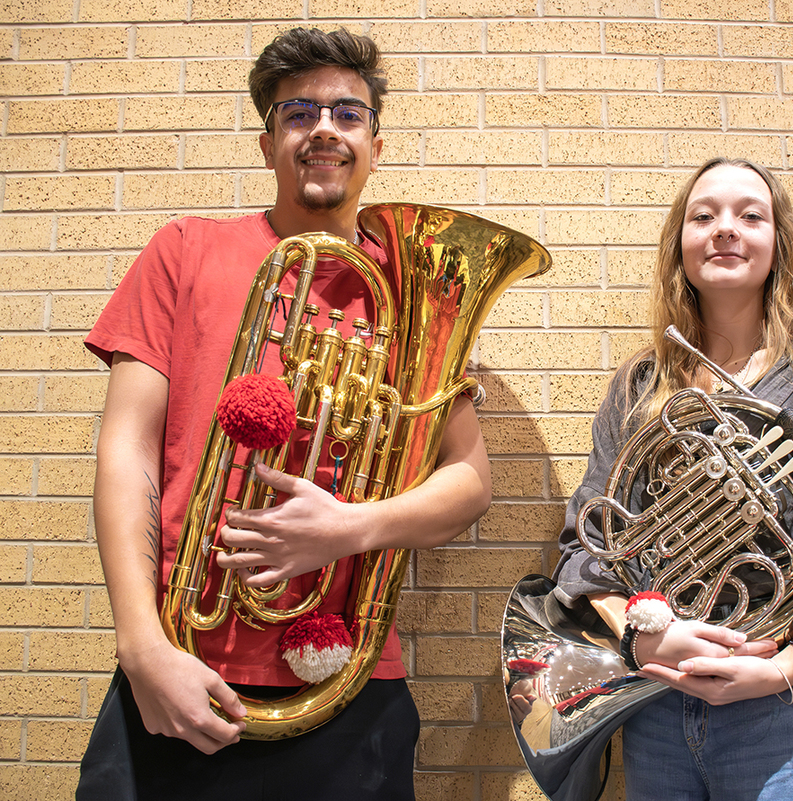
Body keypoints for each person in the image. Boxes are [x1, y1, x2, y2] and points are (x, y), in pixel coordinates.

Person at [76, 27, 491, 801]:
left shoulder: (416, 292)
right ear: (268, 144)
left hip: (348, 680)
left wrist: (351, 527)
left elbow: (468, 481)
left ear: (375, 143)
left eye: (347, 112)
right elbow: (125, 448)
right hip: (179, 663)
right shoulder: (183, 249)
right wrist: (140, 646)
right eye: (298, 112)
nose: (324, 127)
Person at [552, 157, 793, 800]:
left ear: (777, 242)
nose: (726, 229)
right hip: (654, 707)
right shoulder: (640, 387)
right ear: (681, 244)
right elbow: (589, 542)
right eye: (704, 216)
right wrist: (641, 638)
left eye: (750, 216)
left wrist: (789, 664)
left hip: (783, 709)